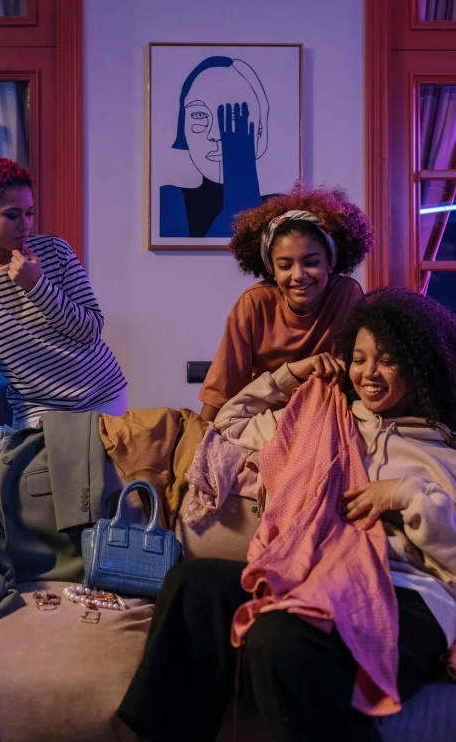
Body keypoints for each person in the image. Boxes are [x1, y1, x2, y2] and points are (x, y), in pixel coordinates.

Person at [118, 289, 456, 742]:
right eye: (358, 358)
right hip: (311, 576)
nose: (368, 373)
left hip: (406, 594)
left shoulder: (441, 449)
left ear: (418, 366)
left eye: (388, 360)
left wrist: (405, 493)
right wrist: (288, 375)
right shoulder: (324, 415)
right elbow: (227, 427)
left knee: (279, 637)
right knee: (193, 585)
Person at [0, 156, 127, 431]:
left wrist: (38, 286)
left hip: (104, 396)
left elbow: (90, 330)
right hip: (38, 409)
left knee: (108, 475)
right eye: (12, 215)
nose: (25, 225)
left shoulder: (56, 251)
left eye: (29, 213)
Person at [199, 181, 375, 421]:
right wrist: (198, 446)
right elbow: (222, 392)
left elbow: (359, 375)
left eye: (311, 262)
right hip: (264, 420)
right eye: (285, 265)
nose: (298, 275)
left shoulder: (347, 295)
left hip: (326, 416)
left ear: (330, 263)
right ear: (271, 269)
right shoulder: (254, 304)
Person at [160, 55, 271, 238]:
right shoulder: (169, 201)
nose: (215, 136)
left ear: (260, 128)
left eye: (235, 116)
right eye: (199, 115)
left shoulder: (283, 207)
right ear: (183, 128)